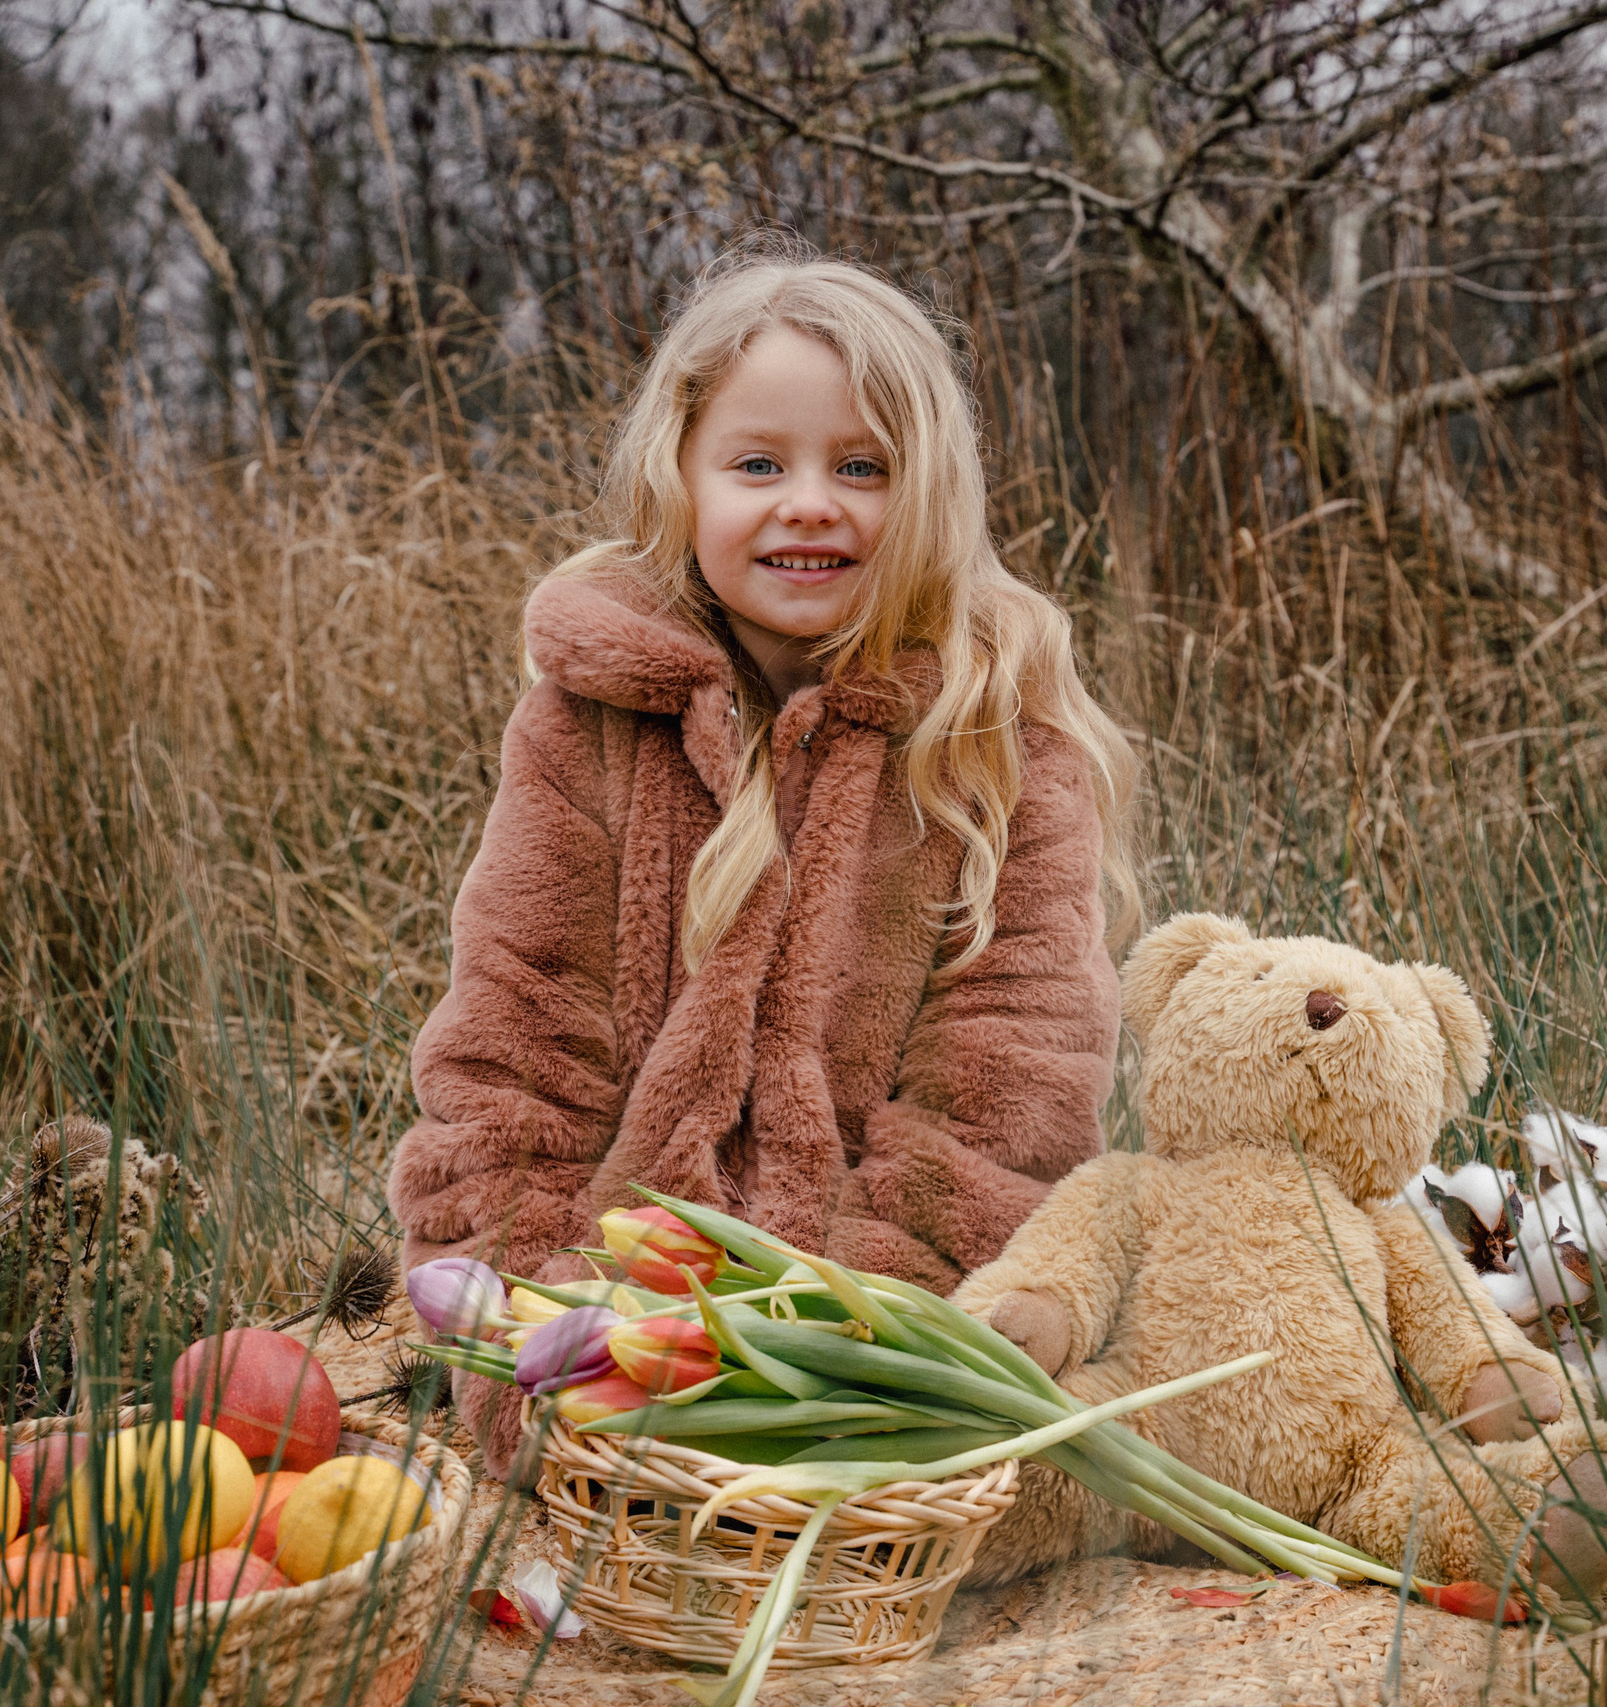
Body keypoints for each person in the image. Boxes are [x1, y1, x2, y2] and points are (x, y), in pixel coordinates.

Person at [388, 251, 1137, 1472]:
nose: (808, 503)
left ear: (931, 493)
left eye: (862, 467)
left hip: (875, 1347)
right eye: (757, 465)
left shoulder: (998, 743)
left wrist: (841, 1352)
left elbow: (1011, 1087)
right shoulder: (587, 722)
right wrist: (544, 1332)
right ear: (676, 478)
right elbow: (515, 1047)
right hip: (612, 1318)